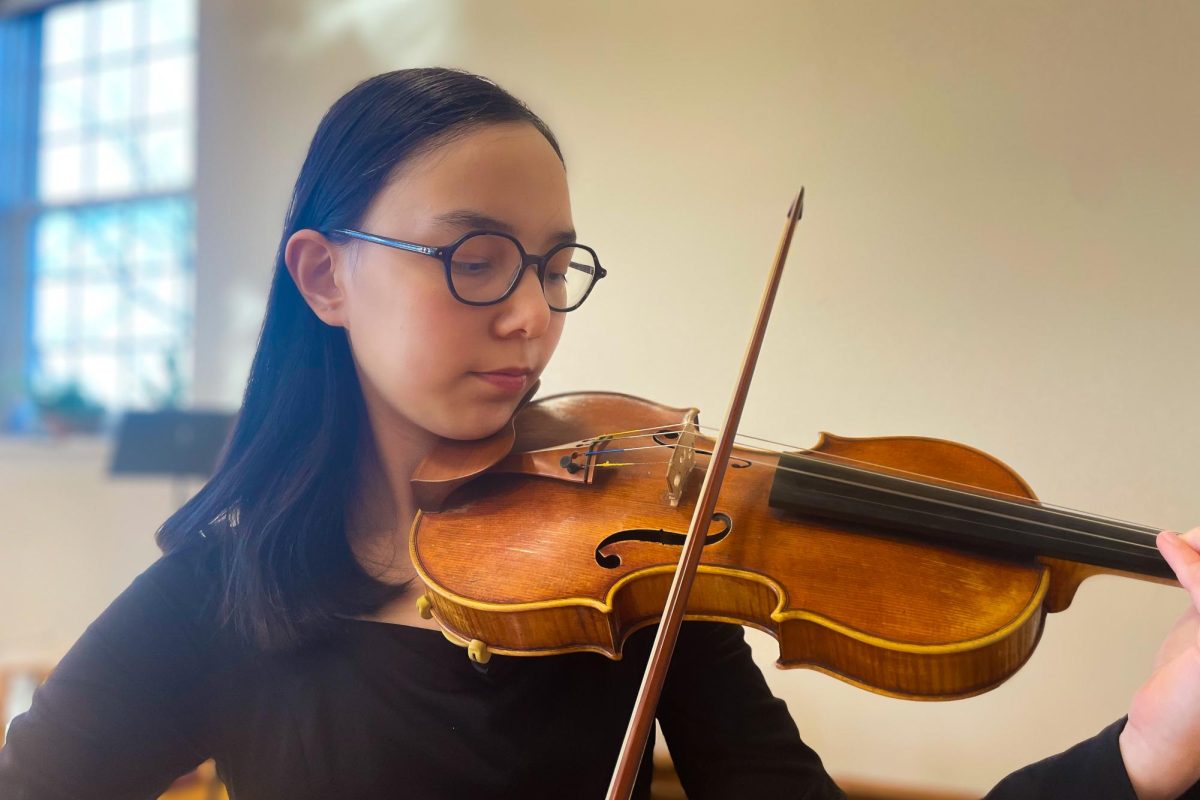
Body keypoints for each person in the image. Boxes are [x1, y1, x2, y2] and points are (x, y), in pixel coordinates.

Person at [0, 67, 1197, 800]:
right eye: (474, 258)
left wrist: (1143, 751)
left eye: (553, 264)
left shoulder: (643, 569)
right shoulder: (222, 593)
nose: (529, 313)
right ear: (323, 277)